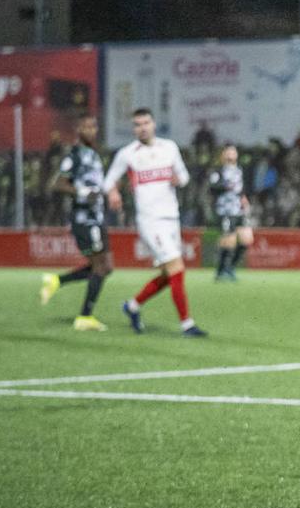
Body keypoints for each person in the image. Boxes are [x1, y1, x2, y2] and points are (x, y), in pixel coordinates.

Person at [103, 108, 207, 337]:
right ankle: (187, 324)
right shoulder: (128, 153)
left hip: (172, 218)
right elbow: (108, 181)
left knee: (169, 273)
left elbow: (184, 176)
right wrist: (113, 193)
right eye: (137, 124)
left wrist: (178, 179)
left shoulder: (169, 147)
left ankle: (132, 306)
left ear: (154, 124)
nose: (142, 127)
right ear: (133, 128)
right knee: (177, 268)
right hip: (150, 221)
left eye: (146, 122)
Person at [40, 114, 112, 331]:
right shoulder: (75, 155)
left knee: (105, 267)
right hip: (84, 219)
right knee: (101, 266)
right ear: (78, 130)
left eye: (94, 126)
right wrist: (81, 191)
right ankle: (84, 317)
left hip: (97, 218)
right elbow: (57, 184)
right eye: (87, 127)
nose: (92, 130)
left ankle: (57, 281)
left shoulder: (94, 154)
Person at [208, 144, 253, 281]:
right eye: (228, 151)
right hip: (225, 210)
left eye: (233, 151)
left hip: (239, 210)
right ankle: (221, 271)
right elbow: (212, 187)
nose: (231, 154)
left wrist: (244, 197)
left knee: (247, 239)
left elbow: (242, 188)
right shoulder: (218, 171)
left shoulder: (240, 170)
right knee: (229, 240)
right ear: (223, 155)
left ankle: (230, 267)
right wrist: (225, 186)